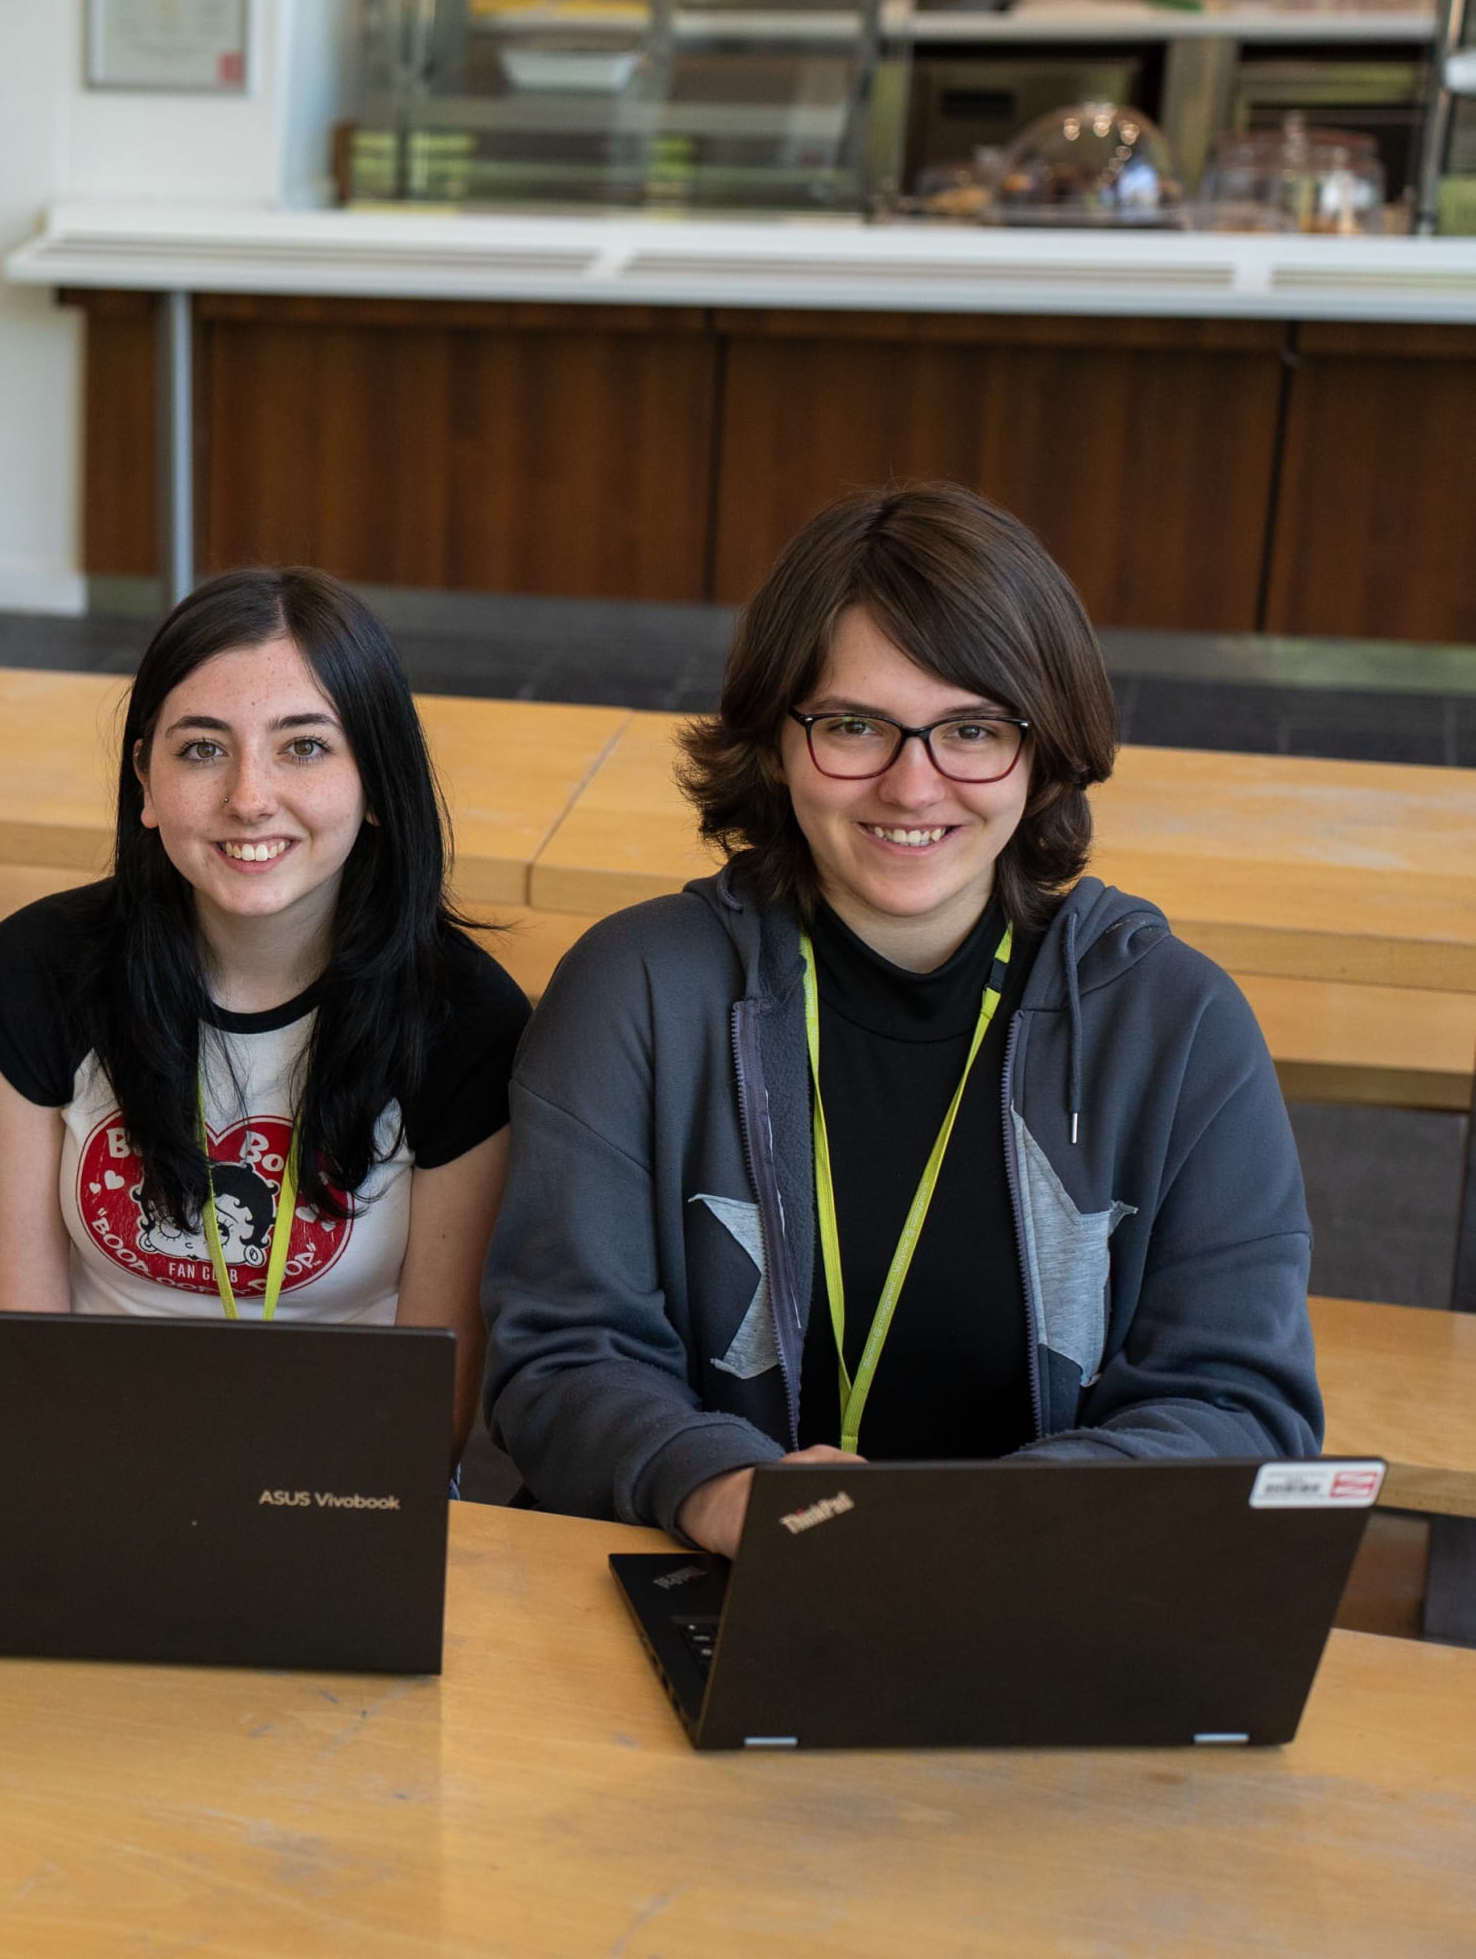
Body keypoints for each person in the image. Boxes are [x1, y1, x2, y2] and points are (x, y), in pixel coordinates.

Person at [481, 482, 1322, 1557]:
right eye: (854, 725)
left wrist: (980, 1527)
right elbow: (560, 1356)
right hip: (707, 1575)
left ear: (1046, 746)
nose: (913, 783)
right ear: (778, 742)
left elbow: (1246, 1405)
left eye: (972, 728)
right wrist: (723, 1487)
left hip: (1042, 1592)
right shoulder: (636, 988)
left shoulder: (1177, 1022)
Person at [0, 569, 528, 1454]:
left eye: (303, 747)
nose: (249, 797)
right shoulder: (36, 974)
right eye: (202, 749)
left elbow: (431, 1395)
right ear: (143, 779)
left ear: (377, 779)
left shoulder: (465, 1019)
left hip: (346, 1483)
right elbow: (19, 1348)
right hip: (86, 1465)